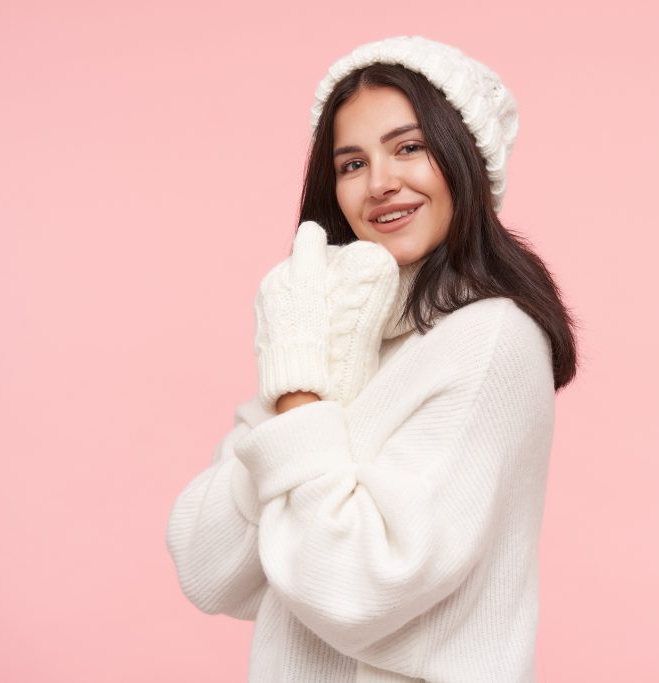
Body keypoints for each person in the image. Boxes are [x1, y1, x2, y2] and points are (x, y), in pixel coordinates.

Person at [166, 35, 579, 682]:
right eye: (352, 163)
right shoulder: (337, 331)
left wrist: (300, 392)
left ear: (466, 157)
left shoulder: (490, 338)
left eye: (409, 147)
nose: (381, 183)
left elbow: (354, 584)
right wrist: (315, 356)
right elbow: (208, 566)